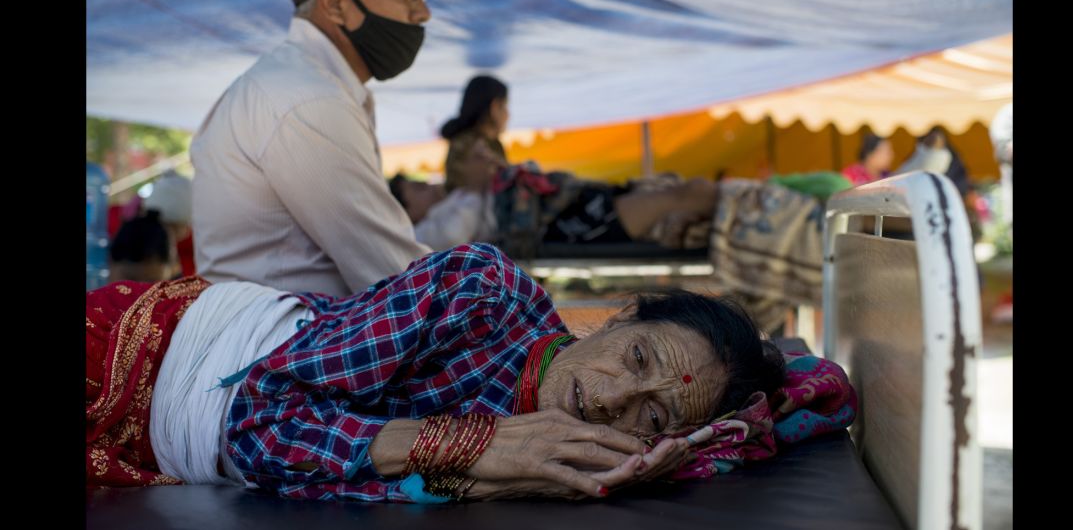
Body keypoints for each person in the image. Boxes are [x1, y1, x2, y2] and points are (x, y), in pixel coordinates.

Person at [86, 243, 786, 502]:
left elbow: (817, 391)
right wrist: (467, 445)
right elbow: (256, 422)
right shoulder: (481, 295)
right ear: (618, 315)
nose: (609, 400)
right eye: (635, 359)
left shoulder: (575, 465)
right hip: (141, 354)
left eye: (652, 417)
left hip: (163, 453)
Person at [189, 0, 462, 296]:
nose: (423, 12)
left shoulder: (307, 85)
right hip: (284, 348)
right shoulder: (307, 99)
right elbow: (396, 278)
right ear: (334, 0)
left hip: (285, 337)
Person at [390, 170, 719, 252]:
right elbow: (452, 235)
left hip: (561, 208)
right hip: (562, 224)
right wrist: (478, 186)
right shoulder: (422, 233)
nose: (429, 187)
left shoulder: (450, 201)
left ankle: (755, 205)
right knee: (683, 195)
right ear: (406, 210)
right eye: (417, 191)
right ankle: (760, 207)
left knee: (677, 193)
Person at [441, 75, 510, 192]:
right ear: (494, 107)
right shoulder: (470, 146)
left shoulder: (488, 143)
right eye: (504, 106)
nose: (508, 115)